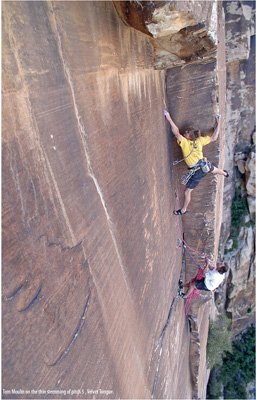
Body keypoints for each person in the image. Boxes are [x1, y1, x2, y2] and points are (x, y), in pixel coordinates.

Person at [164, 110, 229, 215]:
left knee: (187, 192)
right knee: (213, 169)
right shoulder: (199, 141)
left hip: (197, 171)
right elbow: (214, 138)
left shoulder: (184, 142)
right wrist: (219, 122)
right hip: (204, 165)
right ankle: (225, 173)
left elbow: (176, 132)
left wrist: (168, 117)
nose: (184, 132)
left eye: (186, 132)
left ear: (189, 136)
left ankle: (183, 210)